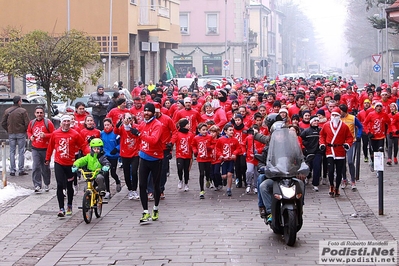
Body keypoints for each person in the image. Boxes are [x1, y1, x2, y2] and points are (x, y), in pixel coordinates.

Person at [45, 115, 88, 217]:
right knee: (60, 184)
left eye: (68, 121)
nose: (66, 123)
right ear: (61, 123)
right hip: (58, 162)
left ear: (70, 123)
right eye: (64, 121)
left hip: (71, 164)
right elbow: (50, 147)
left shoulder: (75, 134)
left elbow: (83, 145)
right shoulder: (55, 134)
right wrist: (47, 159)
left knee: (69, 185)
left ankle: (69, 205)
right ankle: (61, 208)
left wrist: (90, 155)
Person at [132, 103, 164, 224]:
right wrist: (128, 128)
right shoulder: (142, 124)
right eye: (144, 111)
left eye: (148, 111)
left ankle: (155, 208)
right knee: (142, 185)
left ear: (153, 112)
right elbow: (135, 135)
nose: (146, 113)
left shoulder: (157, 125)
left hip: (156, 158)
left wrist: (140, 134)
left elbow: (154, 140)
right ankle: (145, 211)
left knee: (156, 185)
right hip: (143, 157)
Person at [319, 107, 353, 197]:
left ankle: (337, 187)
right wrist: (322, 144)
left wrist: (347, 144)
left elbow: (350, 137)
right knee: (330, 171)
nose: (334, 117)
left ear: (339, 116)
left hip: (340, 151)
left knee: (339, 171)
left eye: (336, 115)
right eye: (333, 115)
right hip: (329, 150)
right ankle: (331, 185)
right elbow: (322, 135)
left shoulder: (344, 126)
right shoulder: (326, 125)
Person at [26, 106, 55, 192]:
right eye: (37, 113)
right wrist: (30, 136)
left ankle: (46, 183)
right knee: (36, 166)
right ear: (35, 114)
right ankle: (37, 185)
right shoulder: (32, 122)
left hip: (46, 149)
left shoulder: (48, 123)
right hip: (35, 148)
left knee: (45, 167)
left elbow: (54, 134)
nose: (39, 114)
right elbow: (28, 131)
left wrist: (46, 135)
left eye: (41, 113)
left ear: (43, 113)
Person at [113, 113, 140, 200]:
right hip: (125, 154)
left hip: (135, 153)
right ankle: (130, 190)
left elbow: (136, 134)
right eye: (126, 118)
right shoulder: (121, 128)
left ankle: (135, 189)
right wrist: (118, 125)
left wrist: (130, 127)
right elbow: (116, 132)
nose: (128, 120)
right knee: (126, 173)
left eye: (130, 118)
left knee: (134, 172)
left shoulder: (136, 127)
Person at [1, 96, 30, 176]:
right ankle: (21, 169)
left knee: (12, 151)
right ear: (19, 102)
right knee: (21, 151)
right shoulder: (23, 111)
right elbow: (27, 123)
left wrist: (8, 129)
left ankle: (12, 170)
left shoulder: (7, 111)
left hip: (11, 133)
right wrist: (24, 129)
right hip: (21, 132)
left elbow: (3, 123)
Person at [339, 104, 363, 190]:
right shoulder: (338, 118)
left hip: (351, 143)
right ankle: (344, 179)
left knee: (350, 161)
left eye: (340, 111)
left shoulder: (352, 118)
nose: (339, 112)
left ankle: (353, 180)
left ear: (344, 111)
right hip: (340, 143)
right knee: (342, 162)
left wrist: (359, 135)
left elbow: (360, 126)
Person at [216, 123, 240, 196]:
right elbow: (217, 148)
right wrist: (220, 155)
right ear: (225, 131)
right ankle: (223, 179)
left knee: (230, 174)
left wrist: (235, 154)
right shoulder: (220, 139)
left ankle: (229, 189)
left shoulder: (235, 140)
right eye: (230, 130)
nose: (232, 132)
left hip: (231, 159)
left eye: (232, 130)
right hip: (224, 160)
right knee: (224, 176)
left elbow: (238, 148)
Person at [170, 118, 194, 191]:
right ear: (183, 125)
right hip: (179, 154)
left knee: (186, 170)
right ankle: (180, 179)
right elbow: (173, 140)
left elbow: (193, 144)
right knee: (180, 168)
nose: (189, 126)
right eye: (187, 124)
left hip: (188, 155)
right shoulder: (177, 134)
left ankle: (186, 183)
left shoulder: (191, 134)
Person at [101, 118, 122, 199]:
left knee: (113, 173)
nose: (106, 126)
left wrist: (116, 149)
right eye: (105, 125)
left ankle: (117, 181)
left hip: (113, 156)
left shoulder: (115, 133)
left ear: (111, 125)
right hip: (105, 156)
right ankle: (108, 191)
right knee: (105, 173)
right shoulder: (102, 133)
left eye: (108, 125)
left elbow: (121, 143)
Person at [192, 123, 213, 199]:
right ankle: (201, 190)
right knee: (201, 173)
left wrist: (210, 147)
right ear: (199, 130)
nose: (205, 132)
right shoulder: (196, 138)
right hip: (200, 158)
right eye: (203, 130)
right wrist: (195, 151)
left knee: (207, 172)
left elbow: (214, 144)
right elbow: (193, 145)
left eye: (206, 130)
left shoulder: (210, 137)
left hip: (208, 158)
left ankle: (208, 179)